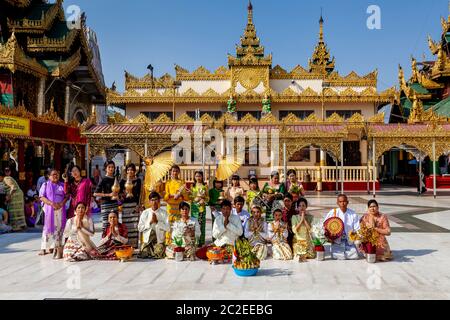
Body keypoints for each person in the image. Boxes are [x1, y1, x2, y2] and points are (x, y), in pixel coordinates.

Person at [39, 169, 68, 258]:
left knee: (59, 228)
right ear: (49, 176)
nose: (56, 176)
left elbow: (67, 196)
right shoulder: (45, 184)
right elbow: (41, 197)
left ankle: (55, 246)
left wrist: (61, 203)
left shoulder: (62, 185)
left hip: (60, 208)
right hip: (49, 209)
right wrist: (52, 204)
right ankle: (44, 248)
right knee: (48, 227)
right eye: (53, 174)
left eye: (57, 174)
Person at [324, 194, 360, 260]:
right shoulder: (333, 212)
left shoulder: (353, 214)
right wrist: (329, 238)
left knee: (354, 256)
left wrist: (355, 238)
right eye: (340, 202)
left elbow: (357, 228)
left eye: (344, 201)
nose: (342, 204)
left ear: (347, 202)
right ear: (337, 203)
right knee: (337, 256)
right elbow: (325, 225)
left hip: (349, 240)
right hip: (337, 240)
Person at [138, 192, 169, 259]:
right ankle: (148, 251)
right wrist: (150, 222)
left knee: (158, 254)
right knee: (144, 255)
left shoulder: (164, 213)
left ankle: (154, 252)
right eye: (152, 200)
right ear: (149, 201)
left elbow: (168, 228)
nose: (154, 202)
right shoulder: (145, 213)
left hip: (159, 242)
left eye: (156, 199)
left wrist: (157, 222)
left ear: (159, 201)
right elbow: (140, 228)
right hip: (147, 242)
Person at [163, 165, 188, 244]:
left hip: (179, 206)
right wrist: (172, 195)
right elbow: (166, 195)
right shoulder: (168, 182)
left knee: (179, 224)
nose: (175, 173)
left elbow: (185, 196)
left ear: (179, 172)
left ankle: (178, 242)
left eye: (176, 171)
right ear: (171, 172)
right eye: (173, 171)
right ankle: (168, 242)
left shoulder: (182, 182)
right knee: (169, 224)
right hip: (170, 206)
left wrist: (180, 195)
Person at [119, 163, 141, 249]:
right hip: (125, 205)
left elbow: (140, 194)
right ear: (126, 171)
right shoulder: (122, 181)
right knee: (126, 226)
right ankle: (127, 245)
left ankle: (134, 246)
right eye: (128, 170)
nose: (130, 171)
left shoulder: (138, 181)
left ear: (134, 171)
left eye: (132, 170)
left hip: (134, 205)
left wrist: (138, 205)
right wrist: (123, 194)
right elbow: (119, 193)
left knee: (135, 226)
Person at [93, 160, 119, 233]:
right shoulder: (103, 179)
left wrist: (118, 196)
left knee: (115, 224)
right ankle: (105, 242)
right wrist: (108, 195)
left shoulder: (116, 179)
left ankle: (115, 242)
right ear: (105, 168)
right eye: (109, 167)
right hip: (106, 204)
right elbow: (95, 193)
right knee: (106, 225)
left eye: (112, 167)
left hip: (114, 204)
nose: (111, 169)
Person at [190, 171, 208, 247]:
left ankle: (201, 242)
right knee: (194, 225)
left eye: (199, 176)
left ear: (202, 177)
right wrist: (194, 199)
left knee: (201, 225)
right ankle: (195, 241)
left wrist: (204, 200)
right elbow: (190, 197)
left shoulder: (205, 186)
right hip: (194, 208)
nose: (198, 177)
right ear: (194, 177)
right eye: (196, 176)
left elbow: (208, 197)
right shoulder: (192, 186)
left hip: (201, 208)